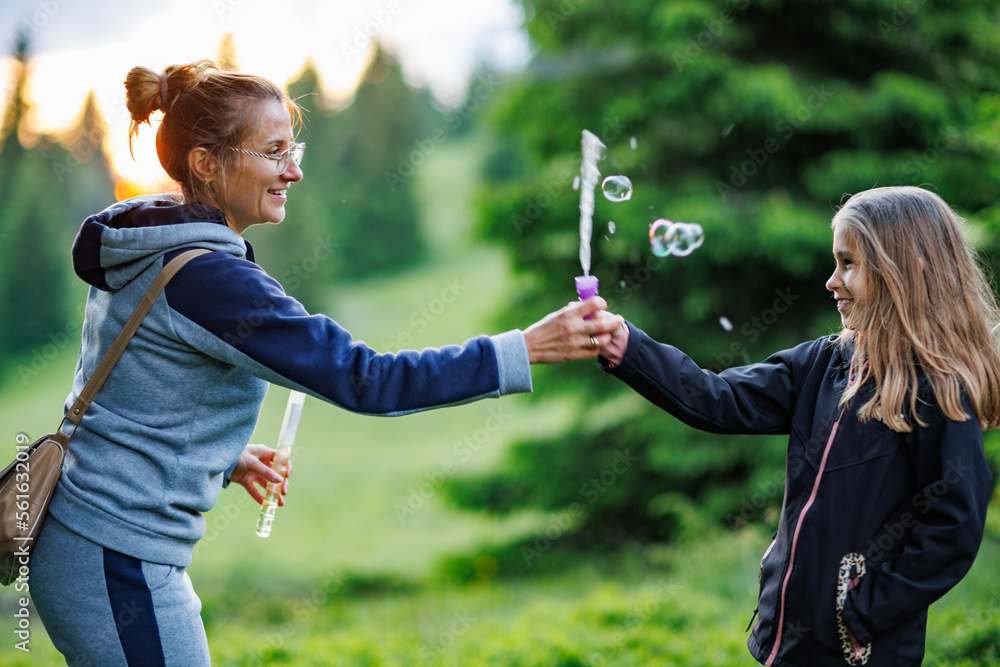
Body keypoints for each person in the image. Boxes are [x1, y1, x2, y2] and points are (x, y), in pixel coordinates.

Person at [29, 59, 622, 666]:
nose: (295, 169)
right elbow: (367, 379)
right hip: (111, 551)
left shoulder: (150, 240)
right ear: (207, 163)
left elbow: (133, 386)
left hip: (90, 539)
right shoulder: (209, 275)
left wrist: (223, 457)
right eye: (273, 151)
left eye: (295, 146)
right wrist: (523, 349)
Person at [598, 186, 1000, 666]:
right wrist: (626, 346)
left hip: (861, 653)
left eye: (848, 264)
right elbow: (718, 399)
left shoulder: (937, 390)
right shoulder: (823, 363)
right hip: (786, 641)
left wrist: (862, 609)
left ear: (903, 272)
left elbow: (953, 526)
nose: (831, 281)